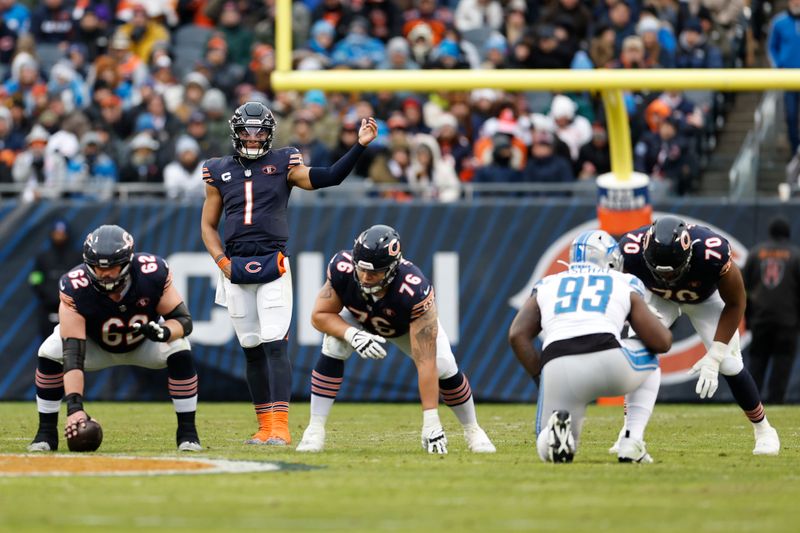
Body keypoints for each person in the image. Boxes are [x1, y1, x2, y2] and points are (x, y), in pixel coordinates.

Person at [200, 101, 378, 446]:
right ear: (236, 134)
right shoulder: (217, 170)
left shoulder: (284, 163)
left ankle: (280, 426)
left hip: (273, 264)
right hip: (234, 266)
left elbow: (329, 177)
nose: (253, 139)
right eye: (247, 133)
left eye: (259, 132)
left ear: (270, 134)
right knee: (250, 348)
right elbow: (208, 226)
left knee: (274, 346)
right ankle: (264, 426)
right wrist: (221, 261)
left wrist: (360, 145)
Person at [295, 225, 495, 454]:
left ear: (392, 267)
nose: (366, 277)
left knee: (443, 365)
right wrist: (353, 334)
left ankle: (473, 429)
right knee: (334, 344)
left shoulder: (413, 288)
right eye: (361, 269)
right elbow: (319, 315)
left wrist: (431, 421)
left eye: (375, 272)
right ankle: (314, 429)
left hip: (403, 327)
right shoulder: (342, 267)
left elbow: (425, 361)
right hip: (359, 318)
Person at [616, 216, 781, 455]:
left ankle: (764, 430)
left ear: (689, 253)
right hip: (659, 299)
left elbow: (736, 303)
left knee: (729, 363)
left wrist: (714, 356)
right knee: (637, 351)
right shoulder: (630, 249)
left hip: (705, 300)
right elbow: (617, 291)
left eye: (674, 272)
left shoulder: (711, 251)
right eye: (660, 272)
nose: (667, 279)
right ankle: (629, 432)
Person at [28, 225, 201, 452]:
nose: (104, 274)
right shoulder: (75, 285)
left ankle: (188, 433)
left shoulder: (152, 273)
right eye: (97, 268)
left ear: (128, 261)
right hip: (96, 346)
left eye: (111, 267)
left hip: (141, 343)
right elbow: (73, 352)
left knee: (179, 346)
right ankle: (46, 434)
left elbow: (183, 320)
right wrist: (74, 408)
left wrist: (165, 332)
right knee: (50, 351)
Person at [508, 230, 671, 463]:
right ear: (612, 260)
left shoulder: (548, 283)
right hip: (608, 360)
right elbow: (661, 343)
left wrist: (541, 378)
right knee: (649, 354)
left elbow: (517, 335)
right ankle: (631, 441)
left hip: (557, 367)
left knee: (549, 448)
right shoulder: (624, 281)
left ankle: (556, 430)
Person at [742, 216, 800, 404]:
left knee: (757, 361)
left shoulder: (756, 253)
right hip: (788, 320)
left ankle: (752, 402)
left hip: (760, 318)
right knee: (782, 363)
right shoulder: (796, 255)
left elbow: (743, 288)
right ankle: (776, 402)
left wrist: (748, 318)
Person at [29, 219, 83, 339]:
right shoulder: (42, 258)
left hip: (72, 311)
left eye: (62, 233)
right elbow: (35, 279)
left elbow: (83, 280)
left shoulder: (77, 257)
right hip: (48, 310)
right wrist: (47, 296)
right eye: (56, 233)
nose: (59, 236)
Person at [767, 0, 800, 156]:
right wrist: (778, 66)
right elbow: (772, 47)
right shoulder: (779, 22)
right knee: (791, 116)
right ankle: (795, 152)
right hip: (788, 78)